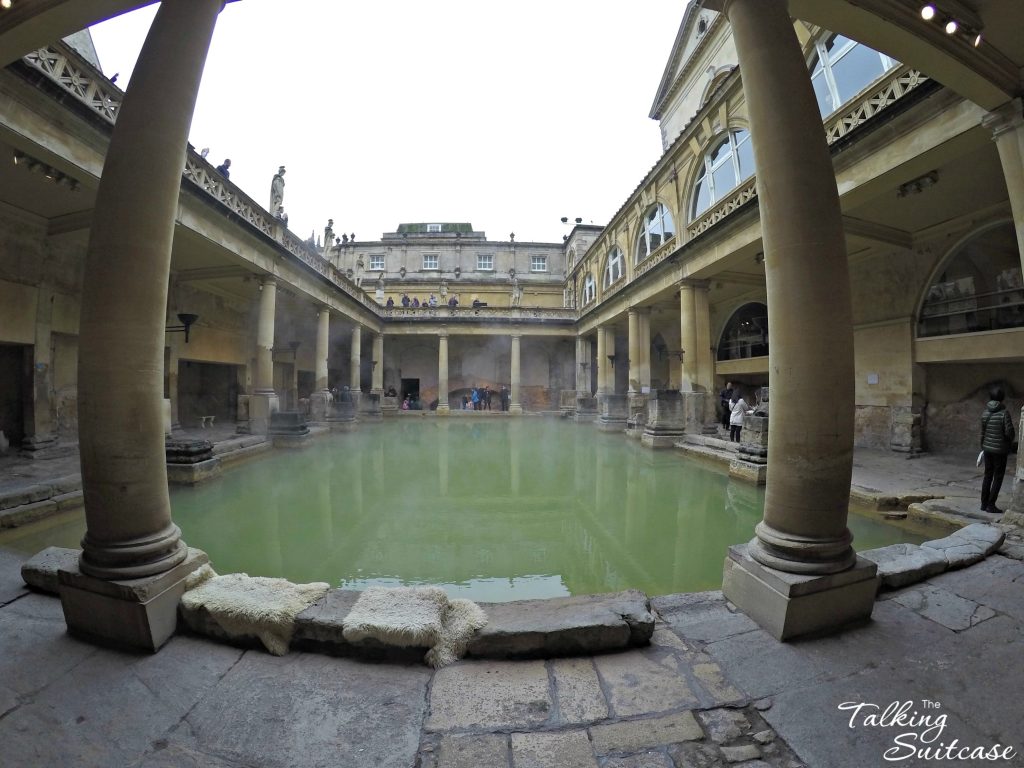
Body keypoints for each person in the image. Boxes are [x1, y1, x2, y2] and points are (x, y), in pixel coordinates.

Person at [980, 386, 1016, 514]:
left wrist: (982, 447)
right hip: (1000, 450)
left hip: (987, 449)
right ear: (1002, 398)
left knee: (987, 475)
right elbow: (1009, 432)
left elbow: (982, 433)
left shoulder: (985, 412)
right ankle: (991, 505)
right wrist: (1009, 442)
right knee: (998, 476)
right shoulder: (1004, 413)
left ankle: (983, 504)